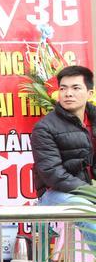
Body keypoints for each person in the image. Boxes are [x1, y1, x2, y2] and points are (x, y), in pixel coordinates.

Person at [32, 65, 96, 250]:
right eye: (63, 88)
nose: (68, 93)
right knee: (87, 211)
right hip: (55, 193)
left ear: (89, 93)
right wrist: (90, 193)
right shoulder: (44, 128)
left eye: (76, 88)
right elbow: (53, 174)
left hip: (89, 190)